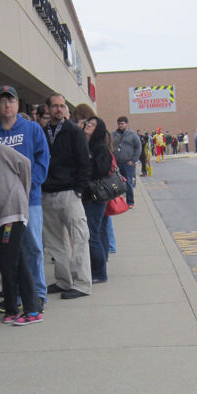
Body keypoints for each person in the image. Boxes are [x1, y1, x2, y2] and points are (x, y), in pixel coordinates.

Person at [0, 85, 50, 311]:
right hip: (3, 206)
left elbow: (42, 159)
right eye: (2, 101)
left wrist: (29, 185)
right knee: (9, 253)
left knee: (33, 247)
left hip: (30, 200)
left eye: (11, 101)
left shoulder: (32, 129)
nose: (7, 105)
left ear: (18, 104)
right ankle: (15, 296)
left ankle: (37, 294)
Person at [0, 142, 43, 325]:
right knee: (12, 263)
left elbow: (25, 163)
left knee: (12, 265)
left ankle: (30, 310)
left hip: (12, 216)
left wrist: (21, 192)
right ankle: (16, 308)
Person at [42, 93, 92, 299]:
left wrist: (79, 189)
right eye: (55, 106)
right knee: (55, 242)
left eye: (62, 106)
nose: (59, 109)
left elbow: (84, 162)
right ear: (47, 109)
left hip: (70, 193)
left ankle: (82, 284)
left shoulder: (74, 131)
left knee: (79, 238)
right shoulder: (42, 132)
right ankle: (64, 281)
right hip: (47, 193)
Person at [82, 116, 112, 283]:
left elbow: (101, 170)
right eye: (88, 122)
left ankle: (99, 273)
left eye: (92, 124)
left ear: (98, 129)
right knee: (91, 233)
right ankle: (93, 269)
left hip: (96, 196)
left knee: (92, 233)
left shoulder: (100, 148)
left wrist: (85, 166)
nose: (88, 125)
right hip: (85, 195)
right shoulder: (83, 145)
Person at [112, 116, 141, 209]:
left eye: (122, 123)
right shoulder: (113, 135)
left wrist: (133, 160)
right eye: (119, 124)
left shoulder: (133, 135)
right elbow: (109, 147)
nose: (120, 125)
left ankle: (130, 202)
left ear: (126, 124)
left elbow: (138, 148)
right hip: (116, 163)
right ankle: (118, 203)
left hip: (128, 163)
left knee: (128, 183)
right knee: (116, 183)